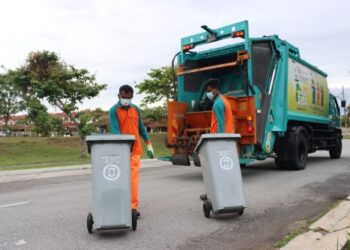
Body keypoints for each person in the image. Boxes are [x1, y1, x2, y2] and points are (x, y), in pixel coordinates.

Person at [109, 84, 154, 216]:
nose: (126, 100)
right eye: (124, 97)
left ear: (132, 97)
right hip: (120, 151)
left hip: (135, 150)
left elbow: (141, 128)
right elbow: (116, 132)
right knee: (120, 178)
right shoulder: (113, 110)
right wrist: (123, 148)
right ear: (119, 96)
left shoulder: (136, 109)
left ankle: (132, 208)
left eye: (129, 98)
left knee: (133, 179)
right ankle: (119, 204)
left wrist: (149, 144)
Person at [200, 78, 234, 201]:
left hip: (219, 140)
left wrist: (219, 142)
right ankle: (221, 192)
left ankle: (213, 194)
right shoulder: (224, 101)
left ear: (214, 90)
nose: (207, 94)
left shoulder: (218, 103)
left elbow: (221, 123)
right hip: (226, 139)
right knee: (221, 170)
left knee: (213, 170)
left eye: (208, 90)